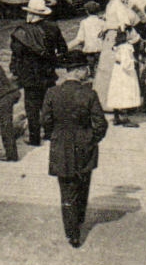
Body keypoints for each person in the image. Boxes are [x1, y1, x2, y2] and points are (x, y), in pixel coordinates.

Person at [41, 54, 108, 247]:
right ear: (78, 70)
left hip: (61, 146)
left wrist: (54, 135)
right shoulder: (89, 94)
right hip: (84, 147)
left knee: (67, 190)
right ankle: (79, 220)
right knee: (83, 185)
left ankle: (72, 233)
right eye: (85, 68)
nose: (87, 71)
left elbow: (45, 120)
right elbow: (101, 124)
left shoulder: (52, 93)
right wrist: (91, 140)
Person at [10, 0, 66, 148]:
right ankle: (49, 133)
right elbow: (63, 50)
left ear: (30, 14)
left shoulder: (21, 32)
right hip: (48, 73)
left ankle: (34, 138)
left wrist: (16, 70)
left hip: (30, 76)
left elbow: (16, 54)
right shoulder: (53, 28)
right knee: (48, 105)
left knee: (32, 108)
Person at [94, 25, 144, 127]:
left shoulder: (117, 46)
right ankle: (125, 119)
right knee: (125, 93)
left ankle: (117, 117)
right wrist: (134, 63)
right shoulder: (126, 47)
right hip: (125, 73)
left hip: (117, 72)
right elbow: (126, 62)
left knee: (117, 92)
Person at [70, 0, 109, 76]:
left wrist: (68, 46)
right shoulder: (102, 22)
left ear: (87, 11)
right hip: (101, 50)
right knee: (102, 71)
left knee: (91, 71)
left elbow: (80, 39)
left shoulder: (84, 22)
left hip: (89, 52)